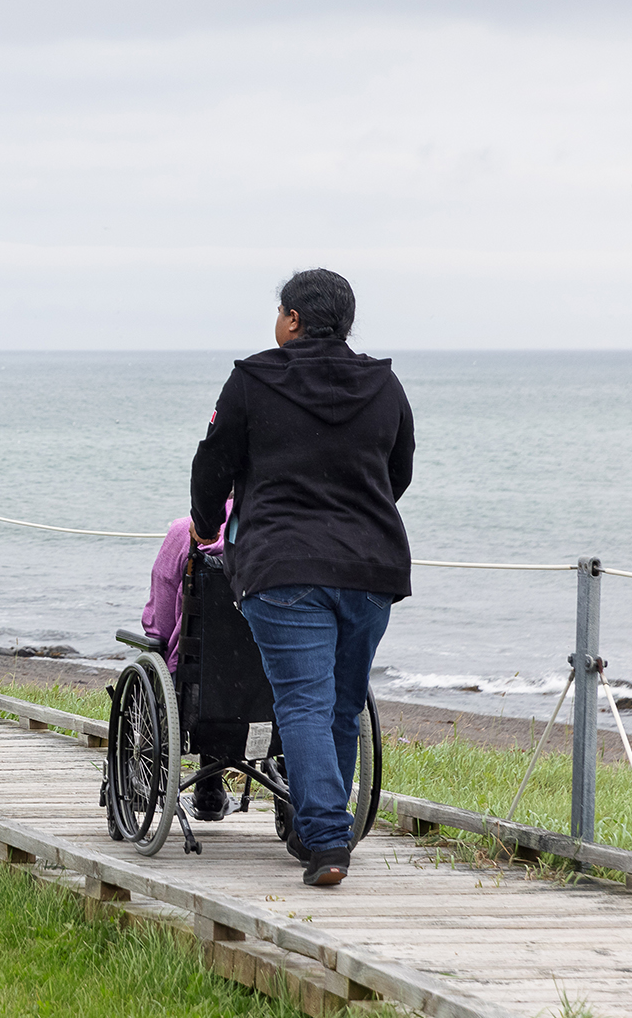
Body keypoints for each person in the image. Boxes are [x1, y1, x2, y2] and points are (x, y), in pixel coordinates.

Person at [188, 269, 414, 888]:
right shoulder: (384, 384)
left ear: (292, 318)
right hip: (370, 567)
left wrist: (206, 528)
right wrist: (356, 518)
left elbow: (212, 466)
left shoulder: (253, 379)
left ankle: (325, 838)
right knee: (341, 703)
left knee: (304, 704)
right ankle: (323, 829)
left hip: (283, 566)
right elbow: (399, 471)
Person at [141, 499, 233, 821]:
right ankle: (210, 784)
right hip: (266, 694)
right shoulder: (278, 533)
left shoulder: (186, 532)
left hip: (196, 691)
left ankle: (148, 776)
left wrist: (157, 640)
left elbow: (160, 622)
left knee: (161, 656)